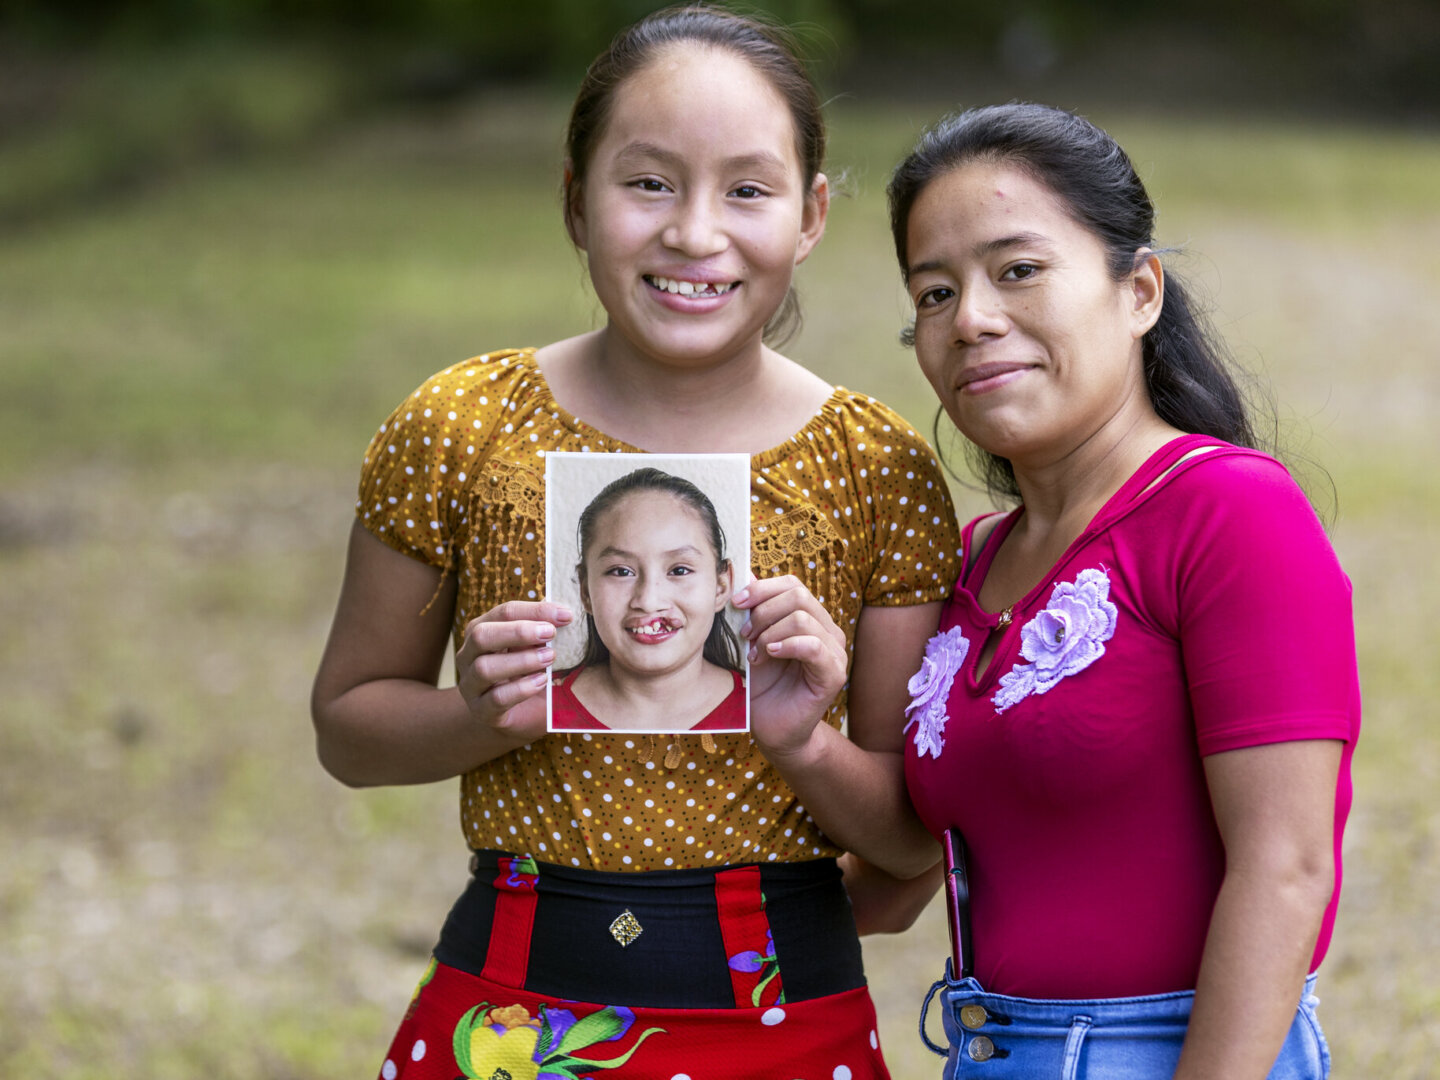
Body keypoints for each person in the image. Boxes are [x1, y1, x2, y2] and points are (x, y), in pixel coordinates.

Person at [309, 6, 960, 1079]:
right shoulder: (462, 425)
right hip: (510, 1012)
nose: (694, 234)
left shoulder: (874, 464)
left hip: (787, 1018)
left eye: (747, 189)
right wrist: (477, 718)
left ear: (810, 214)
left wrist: (805, 740)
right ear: (574, 199)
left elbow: (907, 844)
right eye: (647, 181)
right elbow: (348, 727)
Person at [873, 102, 1360, 1079]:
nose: (969, 318)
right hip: (985, 1052)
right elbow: (893, 883)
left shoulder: (1228, 513)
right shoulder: (968, 565)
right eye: (934, 292)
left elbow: (1288, 867)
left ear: (1138, 291)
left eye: (1017, 270)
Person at [551, 466, 747, 734]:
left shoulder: (763, 707)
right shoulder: (534, 705)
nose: (648, 600)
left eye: (679, 570)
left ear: (721, 587)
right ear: (585, 590)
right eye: (621, 571)